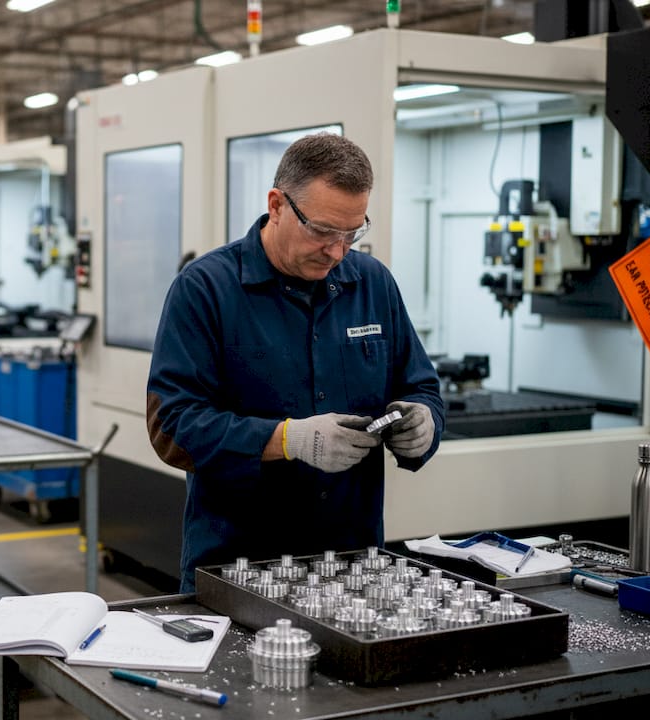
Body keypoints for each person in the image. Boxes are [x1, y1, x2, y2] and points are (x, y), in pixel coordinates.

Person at [146, 133, 445, 592]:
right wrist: (286, 439)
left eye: (352, 232)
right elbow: (172, 427)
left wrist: (424, 421)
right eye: (323, 231)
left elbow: (420, 385)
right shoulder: (205, 289)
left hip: (353, 569)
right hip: (238, 571)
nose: (337, 250)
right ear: (277, 204)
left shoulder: (372, 284)